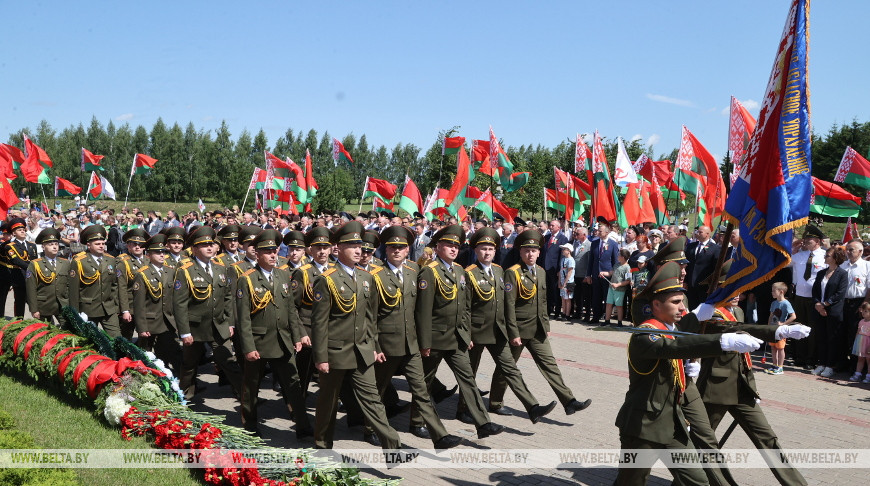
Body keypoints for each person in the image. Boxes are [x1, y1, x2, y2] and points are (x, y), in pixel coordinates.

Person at [614, 262, 767, 485]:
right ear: (656, 304)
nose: (682, 308)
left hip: (673, 426)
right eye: (675, 303)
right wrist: (723, 342)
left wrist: (686, 371)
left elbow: (681, 349)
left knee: (698, 481)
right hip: (643, 429)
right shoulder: (645, 335)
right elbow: (673, 349)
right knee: (631, 482)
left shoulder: (673, 332)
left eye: (682, 303)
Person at [363, 225, 463, 449]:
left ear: (408, 250)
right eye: (392, 247)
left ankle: (440, 436)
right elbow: (369, 317)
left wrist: (423, 341)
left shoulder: (413, 271)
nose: (396, 251)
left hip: (411, 344)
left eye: (401, 247)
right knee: (377, 391)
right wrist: (374, 346)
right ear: (386, 250)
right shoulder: (375, 276)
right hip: (386, 346)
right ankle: (369, 429)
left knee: (421, 389)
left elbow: (420, 309)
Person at [310, 221, 401, 450]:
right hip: (335, 352)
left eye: (360, 245)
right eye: (351, 245)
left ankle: (393, 447)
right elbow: (319, 323)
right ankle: (322, 444)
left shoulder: (366, 278)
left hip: (361, 350)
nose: (358, 250)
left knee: (373, 401)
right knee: (328, 402)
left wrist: (375, 346)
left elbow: (370, 318)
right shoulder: (327, 278)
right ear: (337, 249)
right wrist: (320, 357)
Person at [457, 227, 556, 424]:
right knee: (470, 373)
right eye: (483, 249)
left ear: (496, 251)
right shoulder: (468, 273)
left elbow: (504, 302)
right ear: (475, 251)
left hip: (497, 331)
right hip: (475, 332)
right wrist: (465, 334)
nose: (487, 253)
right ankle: (462, 409)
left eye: (491, 249)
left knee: (511, 369)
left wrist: (510, 330)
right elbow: (464, 308)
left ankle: (532, 407)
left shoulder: (499, 271)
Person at [414, 224, 504, 440]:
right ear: (437, 247)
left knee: (468, 381)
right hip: (435, 338)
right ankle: (416, 422)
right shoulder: (430, 270)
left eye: (456, 245)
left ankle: (482, 423)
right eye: (448, 245)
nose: (453, 249)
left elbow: (464, 307)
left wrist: (466, 333)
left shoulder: (459, 271)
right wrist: (424, 342)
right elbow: (423, 311)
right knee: (424, 383)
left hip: (456, 339)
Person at [490, 229, 592, 416]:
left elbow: (543, 301)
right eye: (527, 251)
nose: (530, 254)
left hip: (537, 330)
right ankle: (495, 402)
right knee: (507, 368)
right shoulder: (512, 273)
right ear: (521, 252)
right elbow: (509, 306)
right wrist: (513, 333)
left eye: (534, 251)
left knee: (550, 366)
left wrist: (546, 325)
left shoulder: (541, 272)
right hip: (518, 331)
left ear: (539, 253)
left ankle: (569, 401)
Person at [236, 229, 312, 438]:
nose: (272, 255)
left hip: (283, 341)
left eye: (274, 250)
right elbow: (243, 319)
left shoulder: (283, 274)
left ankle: (303, 426)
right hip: (259, 342)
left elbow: (290, 310)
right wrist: (248, 348)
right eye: (267, 251)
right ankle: (250, 425)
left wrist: (297, 336)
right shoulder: (247, 279)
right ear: (258, 254)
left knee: (294, 385)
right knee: (252, 386)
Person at [173, 225, 243, 401]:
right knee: (189, 365)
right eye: (204, 245)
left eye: (211, 244)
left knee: (229, 361)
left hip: (218, 326)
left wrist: (230, 322)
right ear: (195, 249)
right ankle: (183, 398)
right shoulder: (185, 270)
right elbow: (180, 304)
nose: (210, 248)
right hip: (195, 327)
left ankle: (246, 396)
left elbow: (227, 297)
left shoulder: (221, 268)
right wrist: (184, 332)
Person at [290, 226, 333, 398]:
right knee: (303, 374)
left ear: (330, 249)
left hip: (331, 330)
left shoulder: (336, 270)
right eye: (318, 248)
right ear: (311, 250)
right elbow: (292, 306)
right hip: (309, 330)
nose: (322, 252)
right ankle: (297, 407)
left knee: (330, 371)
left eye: (325, 248)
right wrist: (300, 333)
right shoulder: (303, 273)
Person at [132, 234, 180, 371]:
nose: (161, 255)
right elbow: (139, 304)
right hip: (150, 321)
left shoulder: (171, 272)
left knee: (165, 355)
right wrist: (142, 327)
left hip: (167, 321)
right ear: (149, 254)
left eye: (163, 252)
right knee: (145, 357)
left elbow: (175, 299)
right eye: (157, 252)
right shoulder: (142, 274)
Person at [68, 225, 121, 336]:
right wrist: (75, 313)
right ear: (88, 245)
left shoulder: (111, 260)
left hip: (108, 308)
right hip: (88, 309)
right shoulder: (79, 261)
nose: (101, 246)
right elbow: (73, 290)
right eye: (97, 244)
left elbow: (114, 285)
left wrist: (116, 306)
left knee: (117, 338)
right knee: (90, 340)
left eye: (102, 243)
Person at [790, 225, 826, 369]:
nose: (805, 241)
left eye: (809, 239)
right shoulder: (800, 255)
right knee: (799, 326)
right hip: (799, 296)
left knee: (811, 329)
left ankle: (811, 359)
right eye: (805, 239)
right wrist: (793, 247)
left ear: (817, 241)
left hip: (814, 298)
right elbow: (784, 261)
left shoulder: (824, 256)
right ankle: (800, 357)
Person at [811, 246, 848, 378]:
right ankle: (821, 363)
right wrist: (817, 304)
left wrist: (825, 304)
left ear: (835, 258)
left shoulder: (842, 274)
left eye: (828, 255)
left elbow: (840, 293)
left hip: (832, 311)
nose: (825, 257)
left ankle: (830, 366)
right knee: (821, 337)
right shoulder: (821, 273)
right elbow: (815, 290)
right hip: (819, 309)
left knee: (832, 339)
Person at [25, 228, 70, 327]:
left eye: (56, 244)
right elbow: (31, 288)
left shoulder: (65, 262)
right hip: (44, 306)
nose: (54, 247)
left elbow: (70, 285)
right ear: (43, 247)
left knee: (69, 331)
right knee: (45, 334)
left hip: (63, 305)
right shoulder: (35, 264)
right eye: (50, 244)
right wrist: (34, 309)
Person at [117, 228, 150, 340]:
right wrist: (125, 310)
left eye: (140, 244)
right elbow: (122, 287)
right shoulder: (124, 262)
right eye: (134, 244)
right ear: (128, 246)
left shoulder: (149, 261)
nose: (137, 247)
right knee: (126, 337)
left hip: (147, 306)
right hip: (131, 306)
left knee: (146, 336)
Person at [586, 221, 619, 324]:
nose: (598, 233)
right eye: (597, 231)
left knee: (606, 297)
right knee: (596, 296)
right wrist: (588, 274)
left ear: (607, 232)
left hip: (607, 275)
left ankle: (606, 317)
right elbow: (591, 260)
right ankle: (596, 316)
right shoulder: (595, 243)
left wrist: (612, 273)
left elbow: (615, 261)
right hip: (596, 274)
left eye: (600, 231)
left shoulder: (613, 244)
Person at [3, 218, 37, 317]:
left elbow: (34, 259)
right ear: (13, 233)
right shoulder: (10, 246)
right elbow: (17, 261)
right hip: (19, 277)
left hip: (32, 277)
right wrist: (33, 267)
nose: (22, 231)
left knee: (35, 301)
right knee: (20, 302)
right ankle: (19, 322)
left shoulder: (32, 245)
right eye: (19, 230)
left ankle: (41, 321)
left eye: (23, 229)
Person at [685, 225, 721, 309]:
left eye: (700, 232)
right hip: (691, 286)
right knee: (692, 309)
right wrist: (685, 281)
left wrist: (712, 286)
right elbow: (687, 265)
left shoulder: (715, 248)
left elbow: (716, 269)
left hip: (705, 287)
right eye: (697, 231)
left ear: (707, 234)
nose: (697, 233)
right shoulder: (691, 246)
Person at [766, 282, 797, 375]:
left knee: (780, 348)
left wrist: (783, 323)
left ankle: (780, 367)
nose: (772, 293)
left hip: (780, 330)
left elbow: (793, 316)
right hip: (773, 329)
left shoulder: (786, 303)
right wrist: (768, 327)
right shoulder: (774, 303)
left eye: (773, 291)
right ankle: (774, 365)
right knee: (773, 347)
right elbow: (771, 316)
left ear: (781, 292)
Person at [542, 220, 569, 318]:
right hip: (545, 267)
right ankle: (548, 310)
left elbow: (562, 256)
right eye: (550, 225)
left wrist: (560, 269)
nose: (550, 227)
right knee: (547, 290)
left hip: (555, 269)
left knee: (556, 291)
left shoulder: (563, 239)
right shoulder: (547, 237)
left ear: (558, 227)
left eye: (553, 225)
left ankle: (557, 311)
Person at [605, 249, 631, 327]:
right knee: (609, 304)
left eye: (619, 255)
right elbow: (611, 273)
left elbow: (628, 281)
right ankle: (607, 321)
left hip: (620, 290)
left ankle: (620, 322)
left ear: (623, 257)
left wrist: (618, 284)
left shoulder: (628, 268)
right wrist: (604, 273)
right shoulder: (616, 264)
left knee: (619, 306)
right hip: (611, 288)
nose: (617, 256)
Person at [571, 226, 592, 320]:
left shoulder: (589, 245)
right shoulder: (576, 244)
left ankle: (587, 314)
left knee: (586, 296)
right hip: (576, 273)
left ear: (584, 235)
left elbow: (589, 261)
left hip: (584, 274)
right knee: (577, 295)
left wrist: (588, 275)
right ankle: (578, 313)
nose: (576, 235)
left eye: (578, 234)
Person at [849, 303, 870, 383]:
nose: (863, 313)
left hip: (868, 343)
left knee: (869, 360)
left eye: (866, 311)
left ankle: (868, 376)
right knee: (860, 359)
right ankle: (858, 374)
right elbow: (858, 332)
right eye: (863, 311)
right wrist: (855, 343)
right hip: (860, 342)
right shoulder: (861, 321)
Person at [558, 243, 575, 319]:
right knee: (563, 298)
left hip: (568, 282)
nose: (562, 250)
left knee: (568, 299)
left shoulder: (571, 260)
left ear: (569, 251)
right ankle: (563, 312)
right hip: (562, 281)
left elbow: (569, 272)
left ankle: (567, 314)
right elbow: (560, 271)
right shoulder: (563, 259)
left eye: (564, 249)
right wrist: (559, 282)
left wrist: (565, 283)